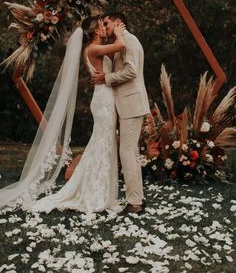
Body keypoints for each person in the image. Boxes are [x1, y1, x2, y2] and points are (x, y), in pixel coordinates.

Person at [0, 16, 126, 213]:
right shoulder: (93, 48)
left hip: (105, 99)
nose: (105, 26)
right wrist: (119, 33)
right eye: (102, 24)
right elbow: (121, 45)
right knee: (103, 142)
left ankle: (98, 188)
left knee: (103, 142)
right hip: (103, 102)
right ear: (95, 30)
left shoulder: (95, 48)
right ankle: (94, 192)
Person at [92, 12, 150, 215]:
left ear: (117, 22)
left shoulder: (130, 40)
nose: (104, 27)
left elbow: (132, 71)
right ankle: (137, 200)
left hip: (132, 104)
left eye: (107, 23)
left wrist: (106, 78)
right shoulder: (121, 42)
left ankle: (134, 203)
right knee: (130, 152)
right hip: (128, 104)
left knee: (126, 152)